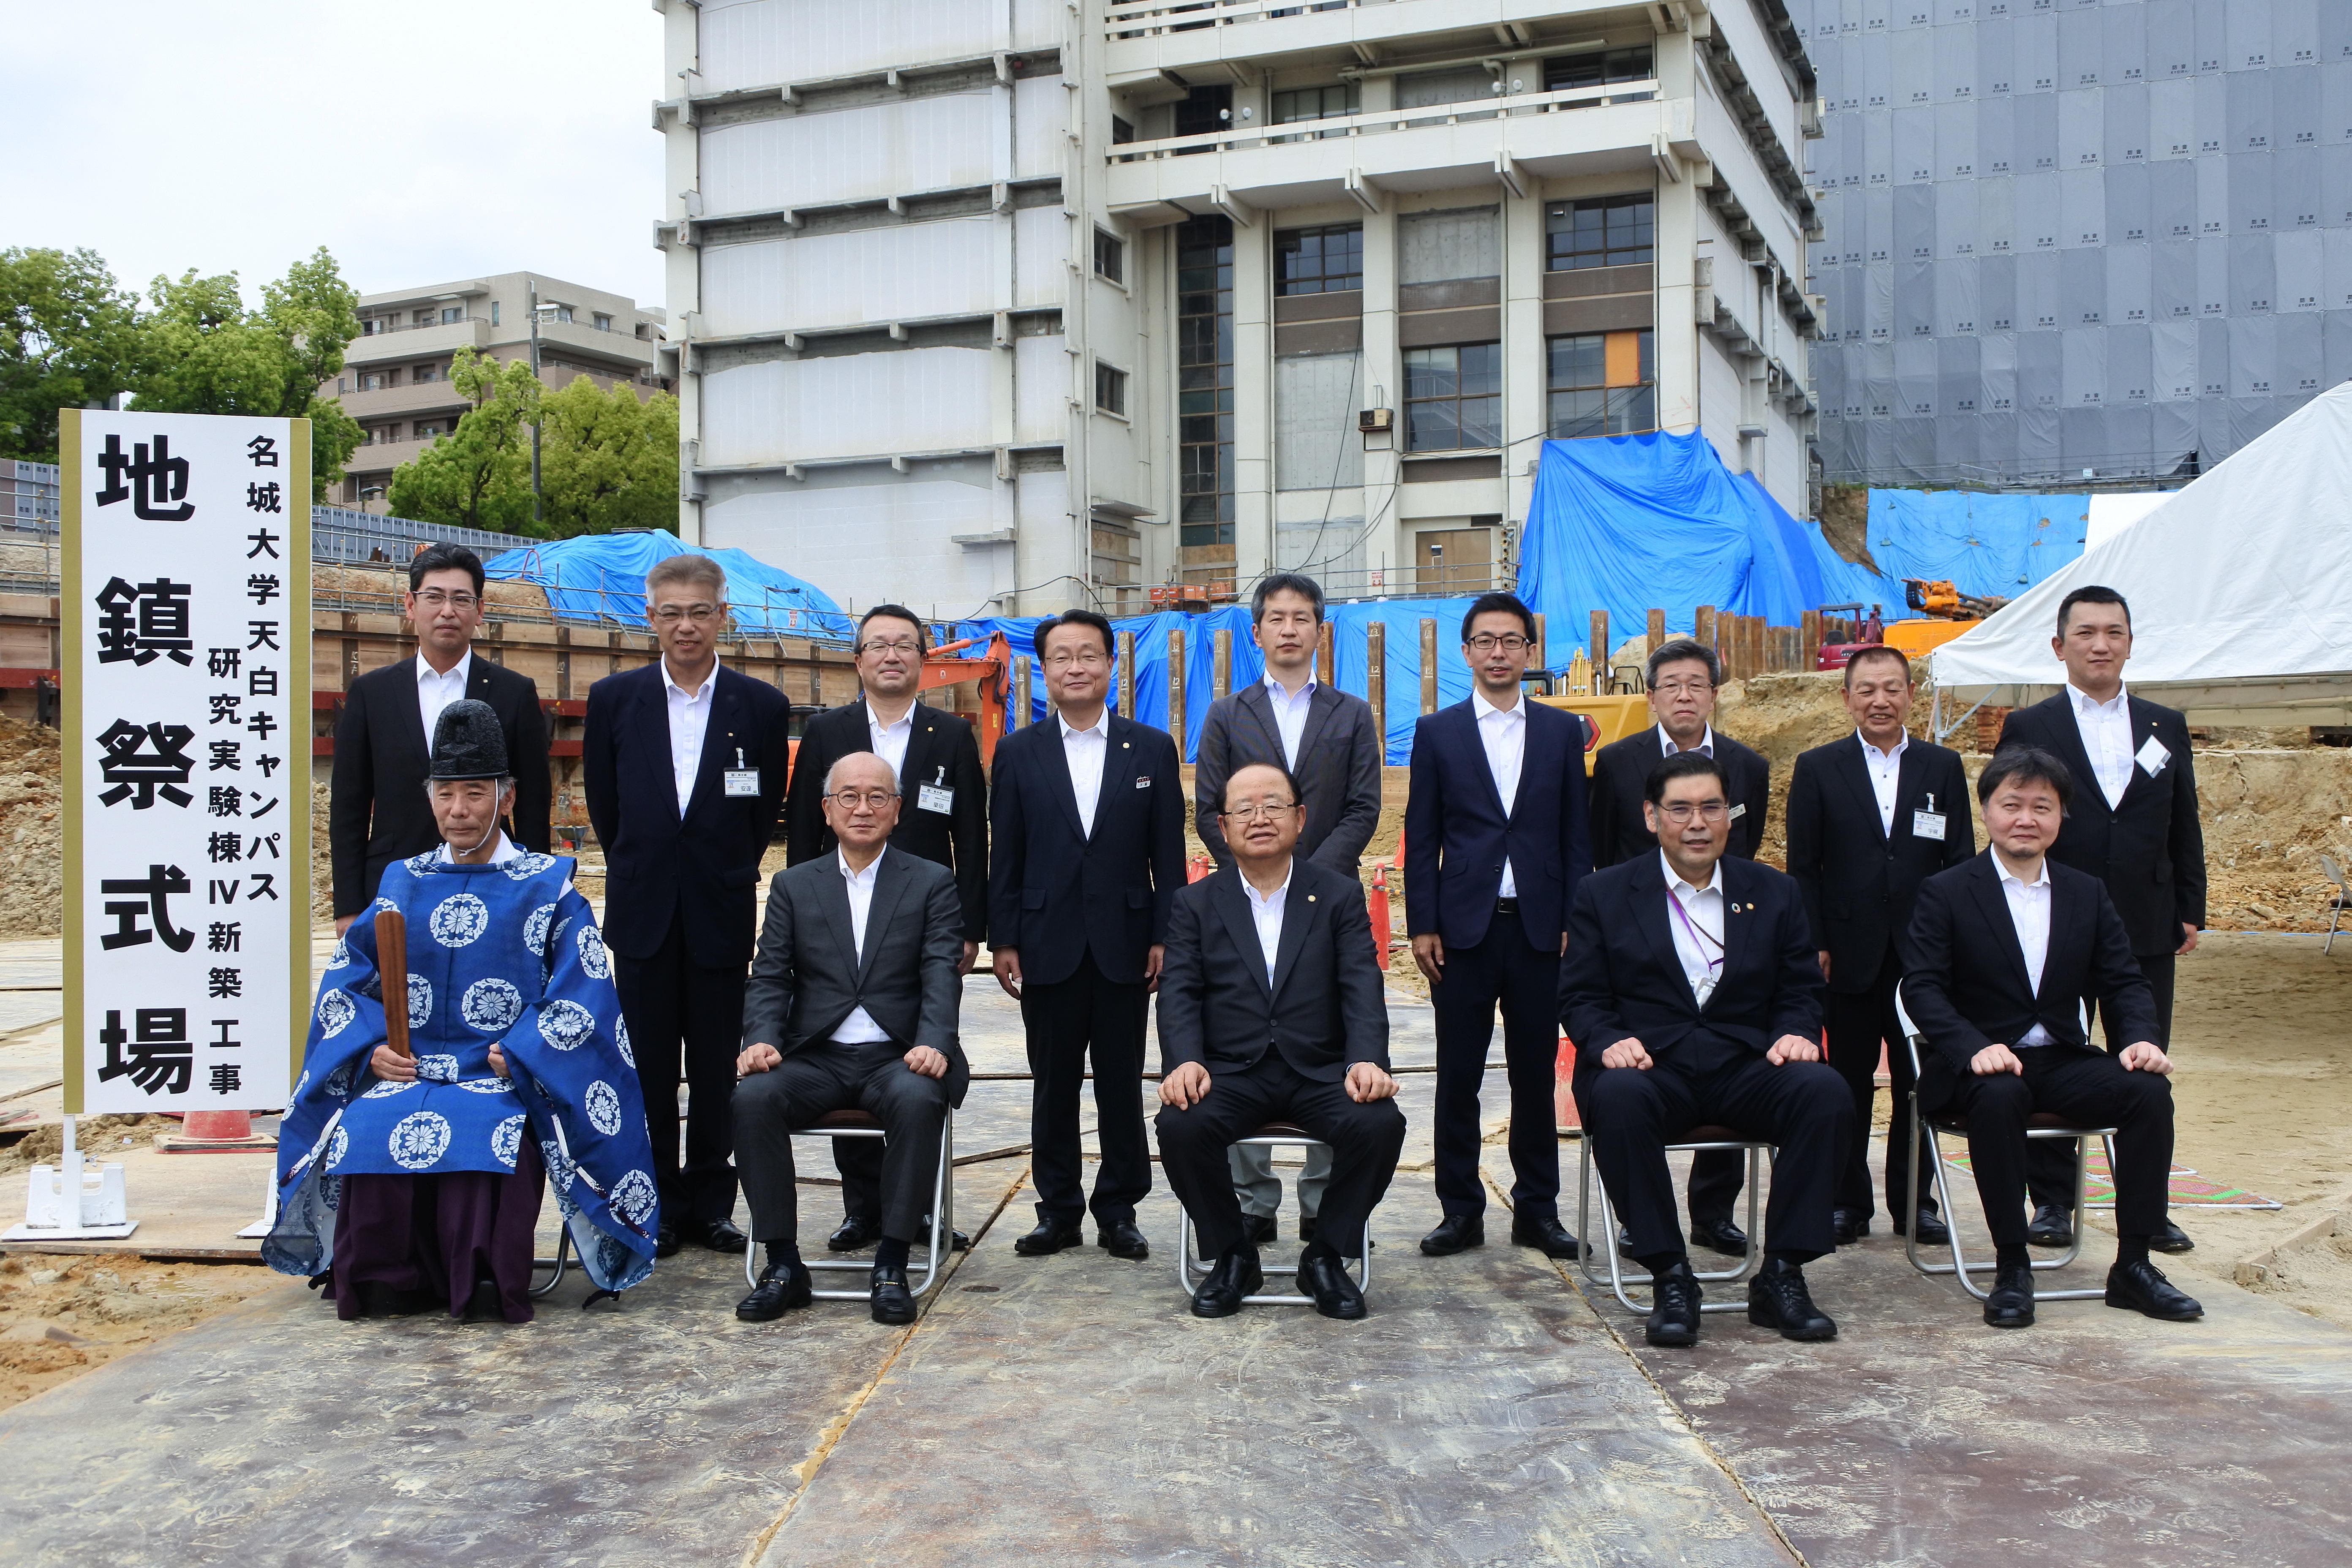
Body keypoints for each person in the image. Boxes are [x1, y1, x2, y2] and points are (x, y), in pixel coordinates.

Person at [267, 700, 657, 1321]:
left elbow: (585, 992)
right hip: (408, 1069)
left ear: (506, 799)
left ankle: (474, 1283)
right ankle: (382, 1282)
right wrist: (372, 1048)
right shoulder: (402, 882)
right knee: (368, 1128)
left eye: (475, 794)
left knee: (487, 1135)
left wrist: (527, 1051)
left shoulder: (548, 886)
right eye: (445, 794)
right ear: (429, 799)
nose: (458, 811)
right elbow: (346, 987)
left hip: (498, 1073)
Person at [1898, 748, 2204, 1328]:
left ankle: (2134, 1265)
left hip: (2061, 1059)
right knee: (2000, 1095)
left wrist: (2138, 1038)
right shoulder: (1946, 891)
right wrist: (1971, 1047)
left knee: (2146, 1094)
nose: (2026, 819)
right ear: (1987, 811)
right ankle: (2013, 1264)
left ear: (2061, 818)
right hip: (1975, 1068)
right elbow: (1924, 991)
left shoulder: (2084, 893)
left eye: (2043, 806)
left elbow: (2123, 981)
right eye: (2011, 804)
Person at [1560, 751, 1850, 1348]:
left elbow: (1801, 986)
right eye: (1681, 809)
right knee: (1615, 1098)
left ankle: (1782, 1275)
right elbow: (1581, 996)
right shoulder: (1605, 893)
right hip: (1649, 1066)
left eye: (1711, 807)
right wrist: (1609, 1041)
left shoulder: (1773, 891)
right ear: (1650, 816)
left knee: (1824, 1091)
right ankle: (1671, 1275)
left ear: (1729, 816)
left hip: (1744, 1064)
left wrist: (1799, 1029)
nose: (1697, 822)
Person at [584, 554, 793, 1259]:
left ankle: (711, 1203)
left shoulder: (758, 707)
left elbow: (762, 811)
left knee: (715, 1070)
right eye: (670, 612)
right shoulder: (615, 700)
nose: (685, 625)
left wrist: (718, 866)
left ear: (721, 618)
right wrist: (649, 866)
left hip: (719, 907)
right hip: (644, 912)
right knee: (645, 1069)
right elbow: (607, 812)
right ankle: (658, 1204)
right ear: (649, 618)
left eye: (699, 611)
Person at [1994, 585, 2205, 1255]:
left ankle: (2148, 1208)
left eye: (2114, 632)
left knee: (2141, 1063)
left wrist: (2190, 906)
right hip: (2057, 918)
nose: (2100, 644)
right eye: (2085, 633)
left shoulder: (2164, 724)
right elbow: (2014, 816)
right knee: (2050, 1053)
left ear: (2130, 644)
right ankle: (2053, 1200)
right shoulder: (2033, 725)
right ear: (2060, 647)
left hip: (2146, 916)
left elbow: (2183, 820)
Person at [1156, 762, 1405, 1320]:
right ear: (1222, 827)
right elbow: (1179, 992)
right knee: (1180, 1124)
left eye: (1273, 806)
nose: (1259, 818)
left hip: (1319, 1070)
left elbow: (1361, 984)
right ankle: (1230, 1255)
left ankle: (1325, 1257)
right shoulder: (1195, 903)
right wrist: (1185, 1061)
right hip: (1230, 1072)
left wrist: (1366, 1059)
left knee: (1380, 1123)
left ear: (1300, 818)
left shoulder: (1338, 896)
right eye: (1244, 808)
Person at [732, 753, 969, 1326]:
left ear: (897, 810)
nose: (863, 808)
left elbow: (942, 971)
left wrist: (934, 1040)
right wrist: (762, 1038)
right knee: (752, 1099)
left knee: (919, 1099)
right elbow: (770, 975)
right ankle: (782, 1263)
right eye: (850, 797)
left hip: (898, 1054)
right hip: (818, 1055)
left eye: (877, 797)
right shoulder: (794, 885)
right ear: (827, 809)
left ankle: (891, 1263)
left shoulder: (932, 881)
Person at [784, 604, 987, 1254]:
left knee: (915, 1065)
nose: (892, 655)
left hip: (927, 925)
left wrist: (971, 926)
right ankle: (860, 1208)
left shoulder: (950, 735)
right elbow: (804, 838)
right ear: (859, 659)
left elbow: (971, 836)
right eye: (878, 645)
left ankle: (918, 1211)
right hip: (842, 922)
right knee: (840, 1040)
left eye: (905, 645)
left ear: (923, 659)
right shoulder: (829, 731)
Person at [988, 608, 1186, 1261]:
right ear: (1043, 672)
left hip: (1127, 941)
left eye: (1089, 655)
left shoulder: (1150, 748)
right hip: (1046, 943)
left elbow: (1168, 855)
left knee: (1121, 1081)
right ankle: (1059, 1210)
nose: (1076, 668)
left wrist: (1165, 933)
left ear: (1110, 665)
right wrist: (1004, 938)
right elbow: (1006, 856)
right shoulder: (1018, 753)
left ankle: (1119, 1208)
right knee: (1053, 1083)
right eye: (1062, 657)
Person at [1192, 572, 1383, 1248]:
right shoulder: (1226, 714)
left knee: (1326, 1037)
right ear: (1258, 632)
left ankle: (1322, 1199)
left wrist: (1311, 878)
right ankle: (1250, 1199)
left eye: (1303, 617)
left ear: (1319, 630)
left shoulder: (1352, 713)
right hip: (1243, 903)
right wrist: (1256, 868)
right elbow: (1210, 807)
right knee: (1239, 1034)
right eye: (1277, 618)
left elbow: (1364, 807)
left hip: (1327, 904)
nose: (1290, 629)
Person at [1403, 591, 1590, 1260]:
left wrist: (1575, 918)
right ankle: (1461, 1210)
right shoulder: (1438, 733)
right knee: (1458, 1075)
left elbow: (1577, 837)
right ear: (1466, 652)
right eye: (1486, 641)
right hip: (1462, 932)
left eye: (1512, 641)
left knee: (1534, 1077)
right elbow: (1420, 836)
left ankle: (1537, 1210)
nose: (1499, 653)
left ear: (1529, 652)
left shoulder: (1562, 733)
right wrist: (1421, 922)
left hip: (1542, 932)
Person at [1586, 637, 1771, 1258]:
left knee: (1735, 1051)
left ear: (1714, 694)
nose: (1684, 696)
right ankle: (1644, 1218)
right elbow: (1605, 853)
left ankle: (1714, 1212)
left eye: (1697, 684)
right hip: (1642, 948)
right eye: (1671, 685)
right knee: (1629, 1088)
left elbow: (1744, 863)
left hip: (1723, 944)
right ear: (1652, 696)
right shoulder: (1617, 764)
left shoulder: (1749, 767)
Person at [1785, 645, 1973, 1246]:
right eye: (1866, 690)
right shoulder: (1818, 768)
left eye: (1892, 688)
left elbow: (1960, 861)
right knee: (1847, 1080)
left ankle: (1915, 1202)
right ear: (1846, 698)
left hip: (1923, 955)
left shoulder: (1942, 767)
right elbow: (1803, 867)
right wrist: (1813, 940)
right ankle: (1846, 1202)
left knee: (1921, 1079)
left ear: (1911, 695)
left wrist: (1955, 944)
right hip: (1846, 953)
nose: (1880, 701)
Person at [330, 543, 550, 932]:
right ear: (411, 605)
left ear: (479, 611)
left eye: (461, 599)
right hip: (394, 886)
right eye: (434, 597)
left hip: (495, 883)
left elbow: (533, 803)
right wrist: (348, 907)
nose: (448, 611)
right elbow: (348, 806)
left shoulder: (514, 692)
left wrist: (540, 892)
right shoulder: (372, 693)